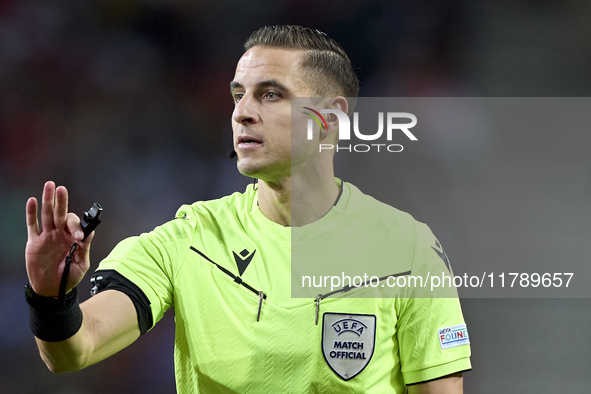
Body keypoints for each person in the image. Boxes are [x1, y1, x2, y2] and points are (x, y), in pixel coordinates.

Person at [25, 25, 471, 393]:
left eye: (271, 94)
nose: (242, 113)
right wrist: (51, 296)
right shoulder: (188, 240)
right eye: (239, 95)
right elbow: (74, 350)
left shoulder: (407, 250)